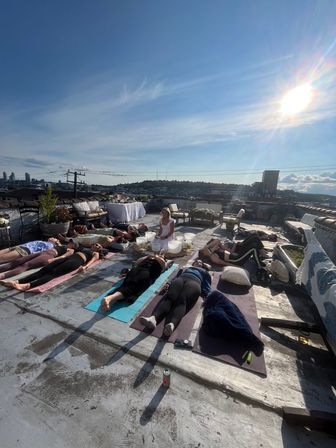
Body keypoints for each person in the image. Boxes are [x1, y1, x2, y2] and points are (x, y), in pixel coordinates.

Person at [139, 259, 212, 336]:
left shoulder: (205, 272)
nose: (199, 262)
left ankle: (172, 325)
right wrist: (168, 283)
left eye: (201, 262)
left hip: (195, 282)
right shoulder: (185, 268)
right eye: (197, 261)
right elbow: (176, 276)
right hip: (180, 279)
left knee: (182, 300)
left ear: (203, 266)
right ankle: (153, 318)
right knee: (170, 297)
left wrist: (208, 296)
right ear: (193, 263)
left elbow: (207, 286)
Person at [3, 243, 105, 291]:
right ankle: (18, 281)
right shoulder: (83, 247)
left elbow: (92, 261)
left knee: (53, 273)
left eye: (98, 246)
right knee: (45, 269)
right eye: (96, 244)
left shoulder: (94, 253)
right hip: (68, 258)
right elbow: (68, 252)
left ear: (99, 249)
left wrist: (85, 267)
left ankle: (28, 285)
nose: (96, 245)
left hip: (76, 261)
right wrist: (55, 259)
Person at [100, 254, 168, 312]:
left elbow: (164, 265)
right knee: (130, 288)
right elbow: (137, 262)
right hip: (139, 272)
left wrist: (156, 256)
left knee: (127, 286)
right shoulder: (149, 258)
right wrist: (148, 256)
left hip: (146, 273)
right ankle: (109, 299)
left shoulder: (162, 263)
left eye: (162, 255)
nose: (160, 255)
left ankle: (109, 301)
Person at [0, 244, 73, 281]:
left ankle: (2, 276)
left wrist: (53, 260)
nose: (70, 242)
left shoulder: (70, 251)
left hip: (50, 255)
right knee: (18, 261)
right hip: (43, 252)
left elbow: (63, 257)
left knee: (26, 265)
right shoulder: (62, 244)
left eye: (72, 243)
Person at [199, 237, 266, 268]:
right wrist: (238, 267)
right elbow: (225, 263)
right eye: (203, 250)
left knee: (254, 238)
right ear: (204, 254)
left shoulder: (215, 250)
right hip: (237, 259)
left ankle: (262, 255)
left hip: (236, 254)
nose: (205, 248)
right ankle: (259, 265)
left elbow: (217, 240)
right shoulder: (213, 257)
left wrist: (210, 247)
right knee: (253, 248)